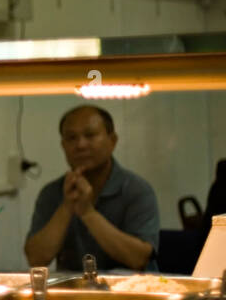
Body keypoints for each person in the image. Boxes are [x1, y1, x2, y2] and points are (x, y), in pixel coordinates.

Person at [25, 105, 161, 272]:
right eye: (71, 138)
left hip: (131, 292)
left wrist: (87, 213)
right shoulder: (51, 192)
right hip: (74, 294)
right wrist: (67, 206)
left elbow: (138, 259)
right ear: (63, 146)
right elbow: (36, 259)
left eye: (90, 135)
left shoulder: (137, 190)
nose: (81, 145)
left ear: (112, 141)